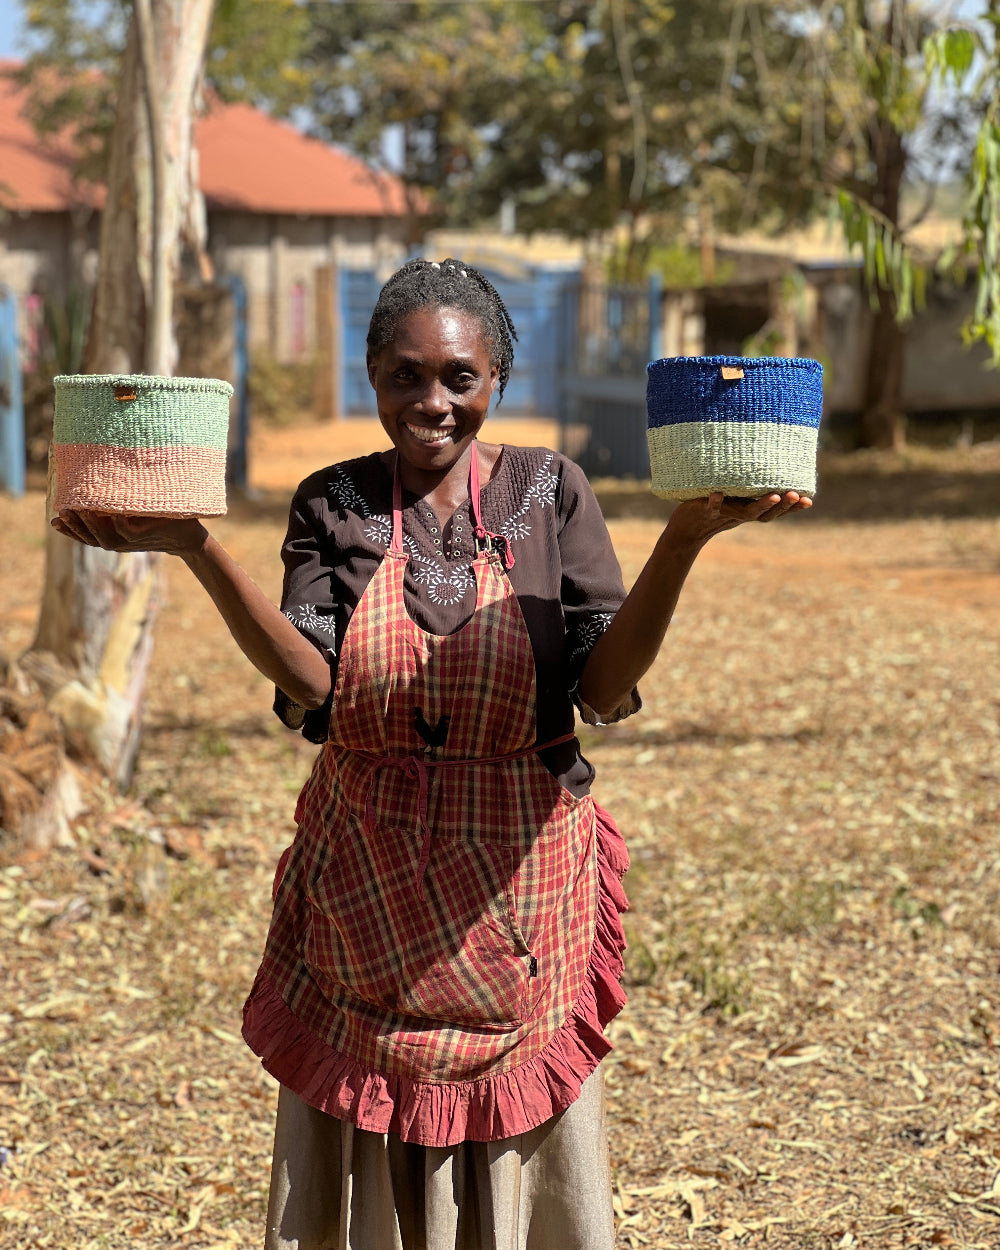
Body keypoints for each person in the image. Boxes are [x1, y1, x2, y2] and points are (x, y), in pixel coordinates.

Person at [53, 257, 811, 1250]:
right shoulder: (331, 500)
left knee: (512, 1169)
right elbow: (312, 680)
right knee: (366, 1161)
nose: (433, 402)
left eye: (460, 377)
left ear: (497, 377)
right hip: (363, 883)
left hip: (518, 895)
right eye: (406, 376)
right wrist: (197, 548)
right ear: (371, 375)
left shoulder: (551, 491)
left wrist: (684, 539)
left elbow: (597, 686)